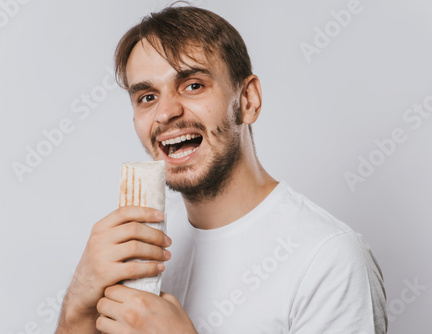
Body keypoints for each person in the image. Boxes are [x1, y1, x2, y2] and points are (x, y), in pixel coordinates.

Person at [56, 5, 387, 334]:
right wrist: (77, 305)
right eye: (147, 96)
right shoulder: (138, 245)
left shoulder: (329, 259)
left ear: (248, 101)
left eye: (193, 85)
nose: (166, 112)